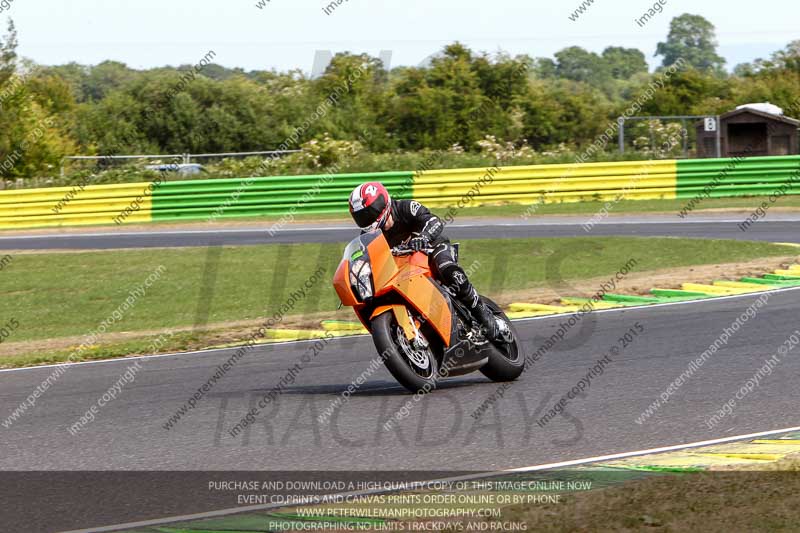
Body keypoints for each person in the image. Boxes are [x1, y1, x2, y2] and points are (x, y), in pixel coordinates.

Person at [348, 181, 499, 339]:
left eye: (370, 212)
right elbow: (369, 258)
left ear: (382, 203)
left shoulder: (405, 208)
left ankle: (485, 318)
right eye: (361, 216)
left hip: (432, 248)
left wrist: (423, 237)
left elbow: (434, 221)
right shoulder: (368, 237)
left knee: (447, 269)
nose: (367, 218)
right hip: (406, 268)